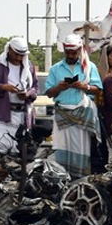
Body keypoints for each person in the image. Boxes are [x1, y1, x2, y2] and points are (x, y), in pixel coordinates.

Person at [43, 34, 102, 175]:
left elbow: (98, 89)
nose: (70, 55)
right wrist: (59, 87)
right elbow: (49, 93)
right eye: (68, 52)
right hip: (62, 115)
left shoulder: (89, 67)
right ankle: (62, 178)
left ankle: (79, 178)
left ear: (79, 50)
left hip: (82, 115)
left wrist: (84, 86)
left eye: (73, 53)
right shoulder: (55, 69)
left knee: (80, 149)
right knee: (61, 148)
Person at [0, 37, 39, 154]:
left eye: (21, 55)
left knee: (18, 151)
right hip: (1, 114)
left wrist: (27, 94)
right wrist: (3, 87)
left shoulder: (29, 67)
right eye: (16, 54)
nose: (18, 58)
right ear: (9, 49)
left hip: (21, 115)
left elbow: (35, 88)